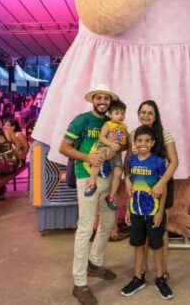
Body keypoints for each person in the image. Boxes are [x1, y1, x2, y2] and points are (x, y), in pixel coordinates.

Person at [58, 85, 120, 305]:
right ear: (93, 99)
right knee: (85, 227)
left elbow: (118, 146)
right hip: (87, 178)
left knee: (109, 220)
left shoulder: (112, 122)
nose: (102, 101)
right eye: (99, 97)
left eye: (106, 98)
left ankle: (94, 262)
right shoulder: (82, 120)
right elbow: (63, 147)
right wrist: (86, 158)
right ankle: (79, 282)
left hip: (107, 178)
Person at [120, 126, 173, 299]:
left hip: (154, 212)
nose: (143, 144)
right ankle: (138, 278)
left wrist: (160, 212)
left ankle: (160, 279)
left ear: (153, 143)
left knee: (157, 245)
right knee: (138, 244)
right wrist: (128, 209)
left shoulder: (158, 161)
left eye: (147, 141)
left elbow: (163, 188)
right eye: (140, 141)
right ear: (134, 143)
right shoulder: (132, 161)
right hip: (136, 211)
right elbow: (131, 189)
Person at [129, 100, 179, 281]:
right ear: (138, 113)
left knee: (159, 229)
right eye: (143, 112)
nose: (146, 116)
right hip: (140, 187)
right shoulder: (134, 134)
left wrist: (161, 184)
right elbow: (129, 160)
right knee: (142, 231)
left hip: (161, 186)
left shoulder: (164, 134)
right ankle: (141, 269)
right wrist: (127, 181)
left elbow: (174, 162)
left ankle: (162, 271)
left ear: (156, 116)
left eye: (150, 113)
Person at [85, 100, 127, 204]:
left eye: (122, 113)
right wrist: (111, 144)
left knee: (118, 172)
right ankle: (92, 183)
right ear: (110, 114)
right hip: (105, 147)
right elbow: (101, 137)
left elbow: (127, 140)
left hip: (117, 153)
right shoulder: (108, 124)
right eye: (117, 113)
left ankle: (111, 196)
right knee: (98, 158)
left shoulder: (124, 127)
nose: (120, 116)